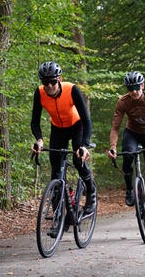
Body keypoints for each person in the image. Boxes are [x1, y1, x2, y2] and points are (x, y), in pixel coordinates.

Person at [31, 61, 96, 217]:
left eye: (53, 81)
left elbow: (87, 120)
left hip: (76, 126)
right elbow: (35, 121)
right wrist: (39, 140)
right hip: (57, 129)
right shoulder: (39, 93)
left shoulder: (71, 89)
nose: (49, 86)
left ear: (59, 79)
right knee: (56, 173)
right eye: (45, 82)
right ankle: (58, 217)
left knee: (77, 160)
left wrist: (85, 145)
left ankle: (91, 191)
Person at [107, 71, 145, 232]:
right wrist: (112, 146)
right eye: (130, 88)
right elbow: (115, 127)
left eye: (136, 88)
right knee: (127, 156)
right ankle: (130, 189)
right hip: (131, 133)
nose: (133, 91)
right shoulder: (123, 102)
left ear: (142, 86)